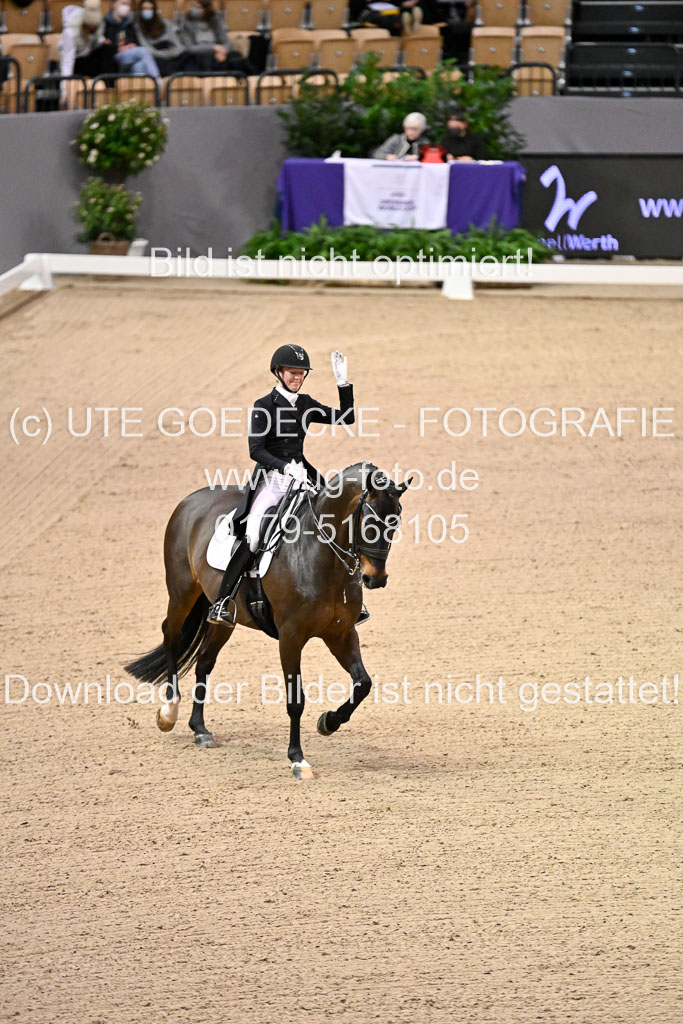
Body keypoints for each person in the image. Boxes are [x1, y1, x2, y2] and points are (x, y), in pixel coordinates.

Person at [207, 345, 361, 626]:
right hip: (273, 480)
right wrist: (285, 467)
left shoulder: (306, 404)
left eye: (301, 373)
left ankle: (348, 597)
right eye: (292, 373)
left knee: (337, 523)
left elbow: (346, 417)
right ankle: (222, 601)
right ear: (278, 372)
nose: (297, 378)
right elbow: (256, 449)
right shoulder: (264, 406)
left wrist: (343, 383)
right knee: (254, 534)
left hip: (304, 477)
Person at [177, 0, 254, 74]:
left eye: (198, 8)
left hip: (217, 56)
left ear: (206, 8)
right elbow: (189, 48)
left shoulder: (215, 20)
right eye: (192, 6)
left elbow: (227, 42)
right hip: (198, 57)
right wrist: (213, 47)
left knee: (237, 59)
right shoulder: (186, 22)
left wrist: (223, 50)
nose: (194, 10)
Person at [59, 0, 117, 88]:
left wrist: (103, 41)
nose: (93, 30)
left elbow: (96, 37)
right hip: (76, 62)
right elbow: (67, 61)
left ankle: (110, 88)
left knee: (108, 50)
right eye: (91, 28)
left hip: (89, 56)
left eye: (95, 27)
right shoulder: (71, 32)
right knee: (103, 62)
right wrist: (65, 90)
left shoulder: (98, 26)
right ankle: (107, 87)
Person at [134, 0, 196, 76]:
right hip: (158, 56)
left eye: (150, 9)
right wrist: (168, 53)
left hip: (172, 52)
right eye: (145, 9)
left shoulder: (166, 23)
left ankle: (191, 79)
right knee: (157, 62)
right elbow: (149, 51)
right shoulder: (138, 27)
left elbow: (177, 44)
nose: (148, 11)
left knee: (188, 56)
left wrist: (175, 52)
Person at [103, 0, 161, 78]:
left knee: (139, 66)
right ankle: (158, 80)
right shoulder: (104, 24)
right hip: (114, 58)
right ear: (113, 4)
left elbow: (136, 41)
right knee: (143, 51)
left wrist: (131, 45)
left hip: (131, 56)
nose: (127, 7)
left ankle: (141, 85)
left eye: (128, 4)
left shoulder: (129, 24)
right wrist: (118, 48)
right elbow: (103, 45)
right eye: (124, 3)